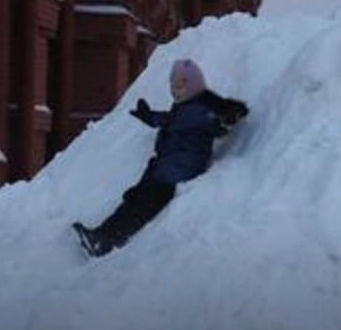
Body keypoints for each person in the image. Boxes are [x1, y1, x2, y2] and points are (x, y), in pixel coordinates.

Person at [72, 59, 248, 257]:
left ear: (193, 86)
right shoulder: (186, 107)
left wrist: (227, 117)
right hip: (165, 169)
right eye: (172, 87)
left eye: (179, 87)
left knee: (142, 205)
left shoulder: (201, 111)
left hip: (178, 172)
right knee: (134, 198)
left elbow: (215, 122)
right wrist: (150, 117)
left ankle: (105, 241)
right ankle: (101, 235)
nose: (174, 91)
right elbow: (172, 120)